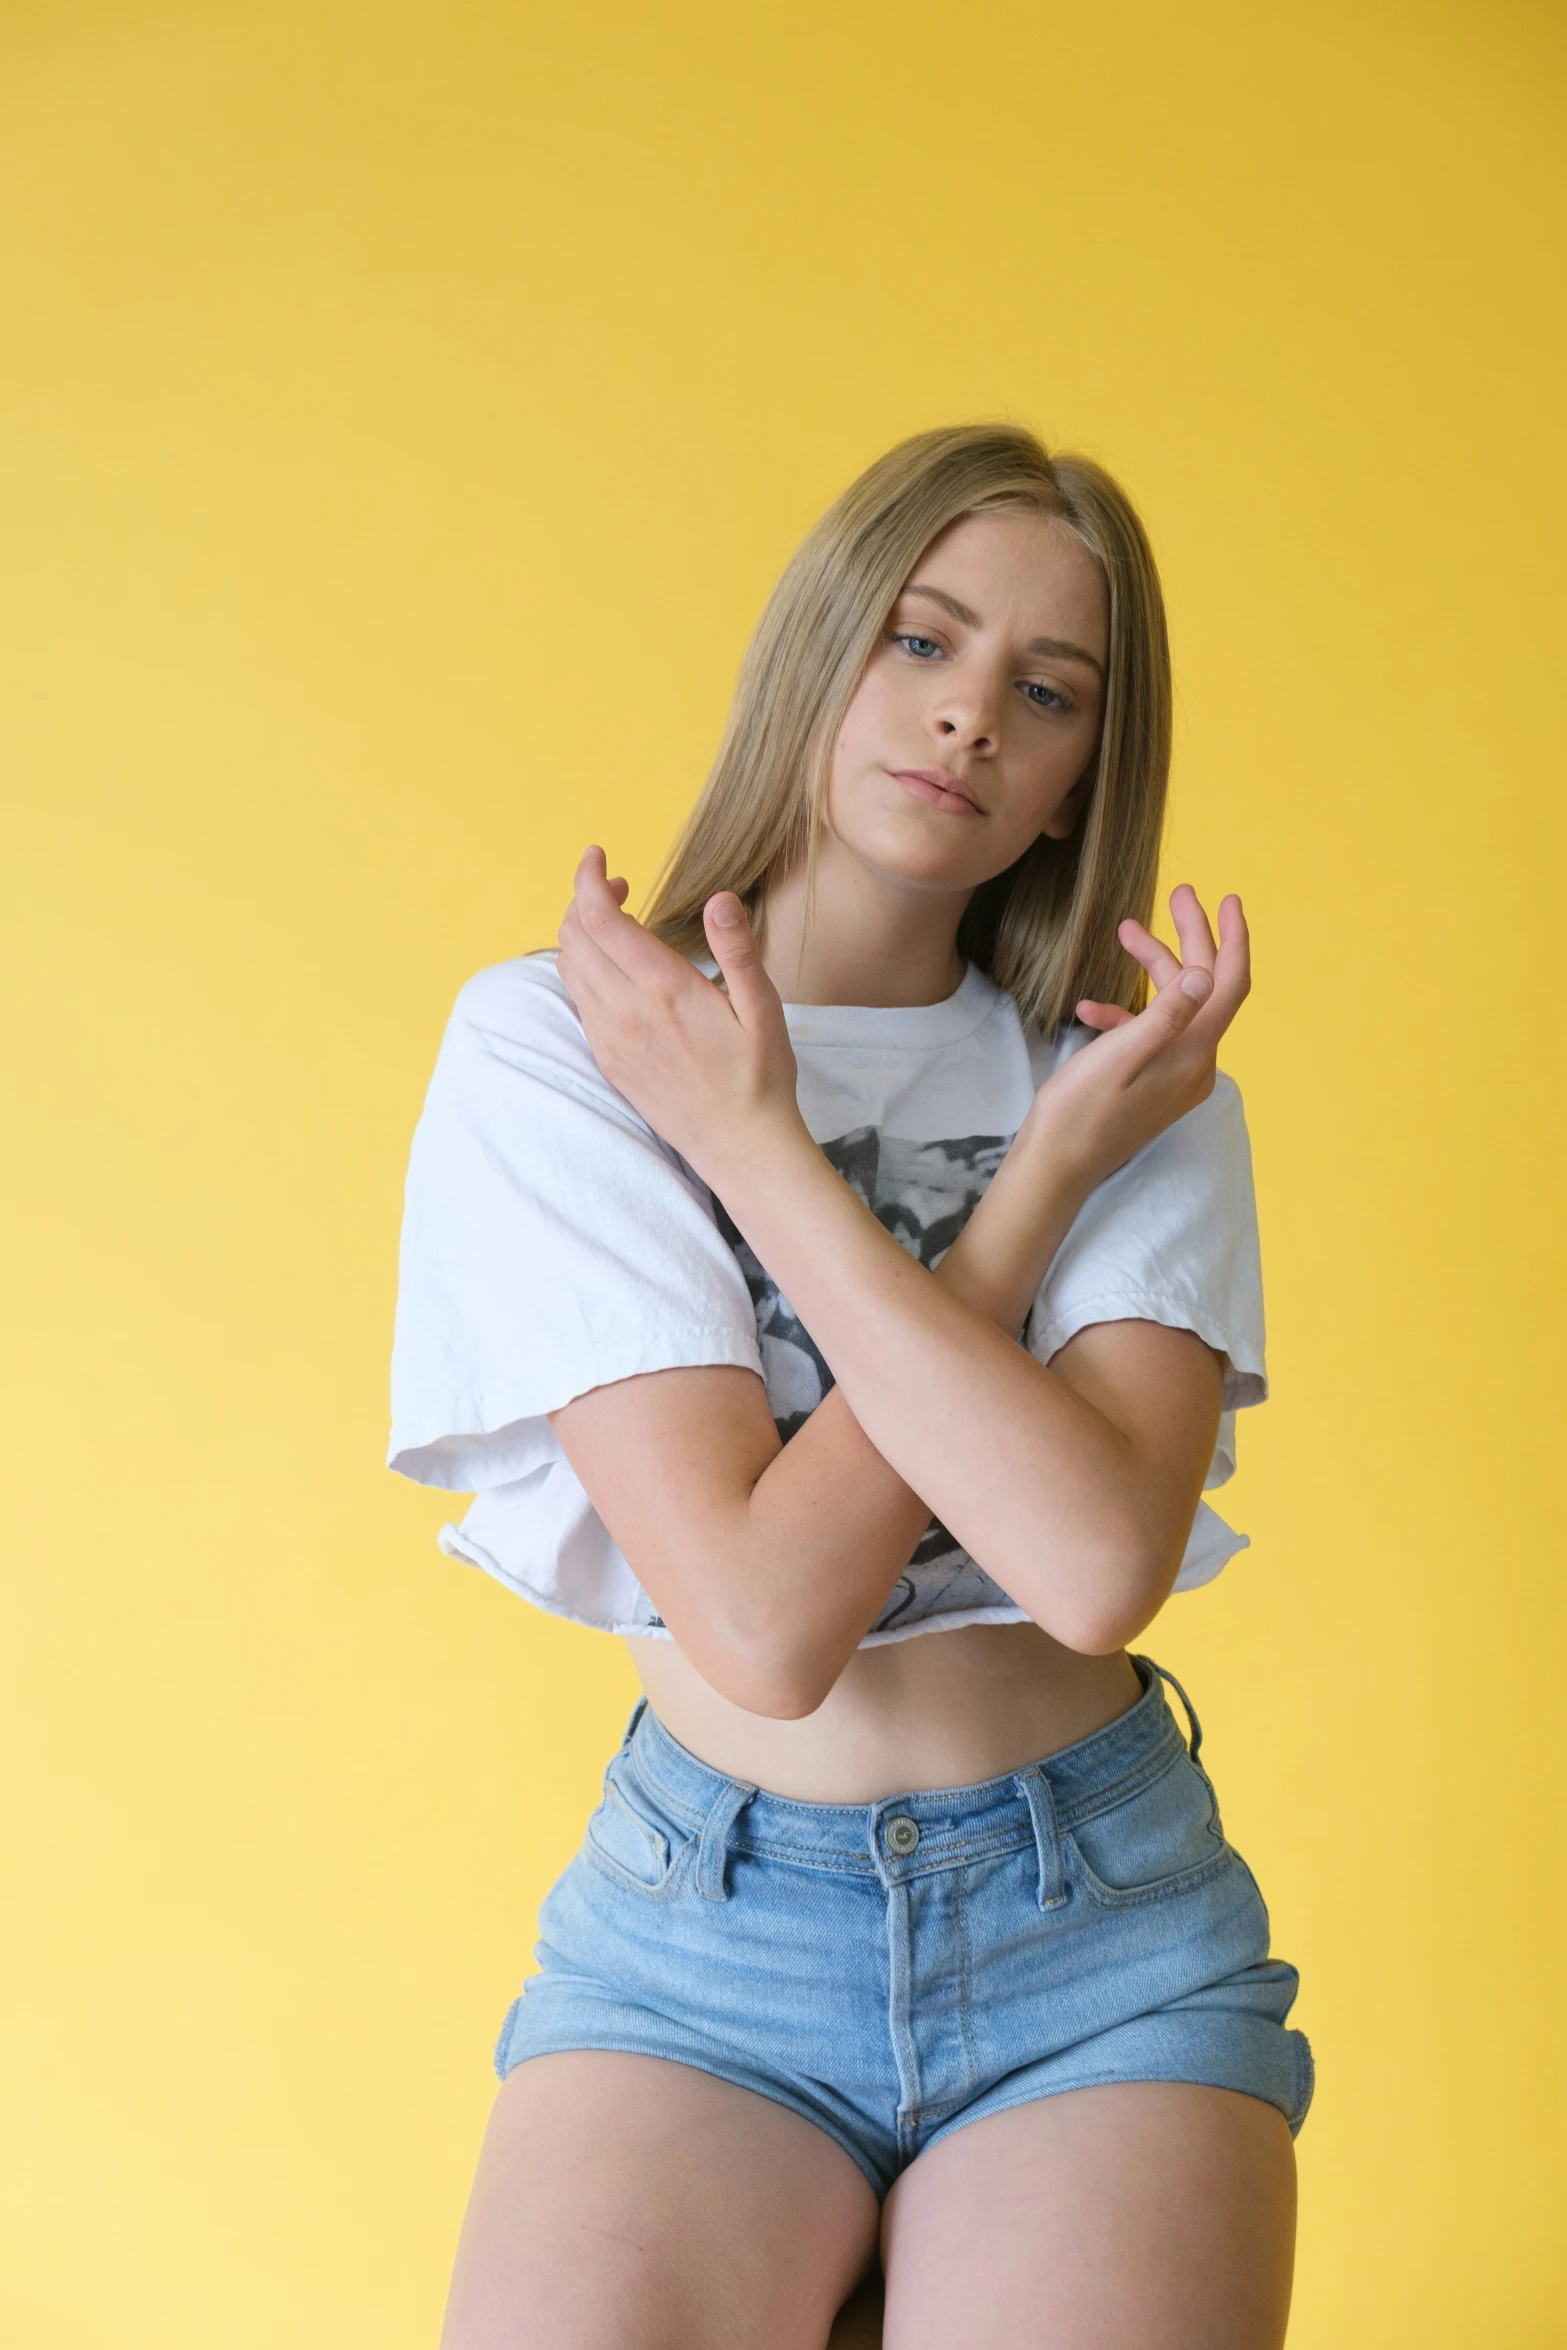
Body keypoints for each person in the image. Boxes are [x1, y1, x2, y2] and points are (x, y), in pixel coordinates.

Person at [389, 424, 1312, 2349]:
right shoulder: (568, 1047)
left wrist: (993, 1157)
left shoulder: (1125, 1090)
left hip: (1104, 1933)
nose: (971, 715)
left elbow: (1086, 1569)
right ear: (816, 655)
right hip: (699, 1941)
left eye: (1045, 693)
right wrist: (963, 1200)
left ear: (1074, 782)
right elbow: (760, 1618)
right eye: (921, 641)